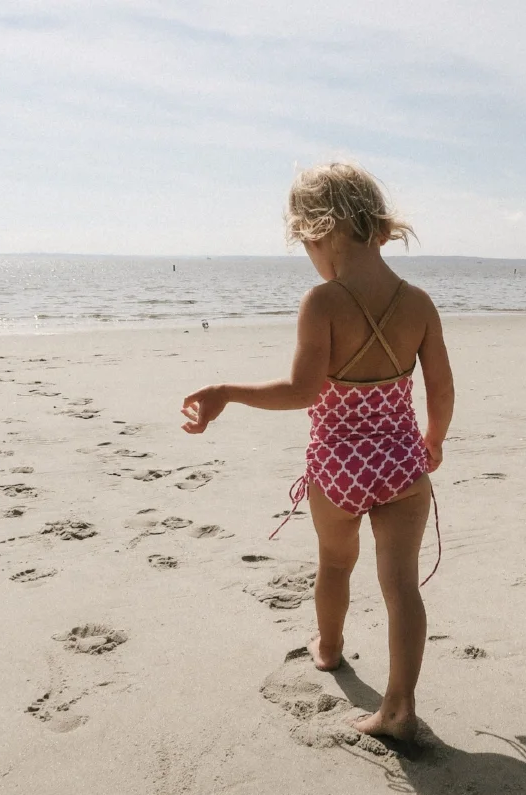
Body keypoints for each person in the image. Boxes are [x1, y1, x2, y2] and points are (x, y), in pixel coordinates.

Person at [180, 162, 455, 741]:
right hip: (403, 466)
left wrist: (227, 391)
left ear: (320, 231)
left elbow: (302, 391)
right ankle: (400, 708)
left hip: (338, 469)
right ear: (376, 226)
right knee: (401, 586)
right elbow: (442, 389)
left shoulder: (323, 302)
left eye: (306, 244)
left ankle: (328, 648)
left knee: (334, 563)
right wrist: (433, 439)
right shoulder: (418, 304)